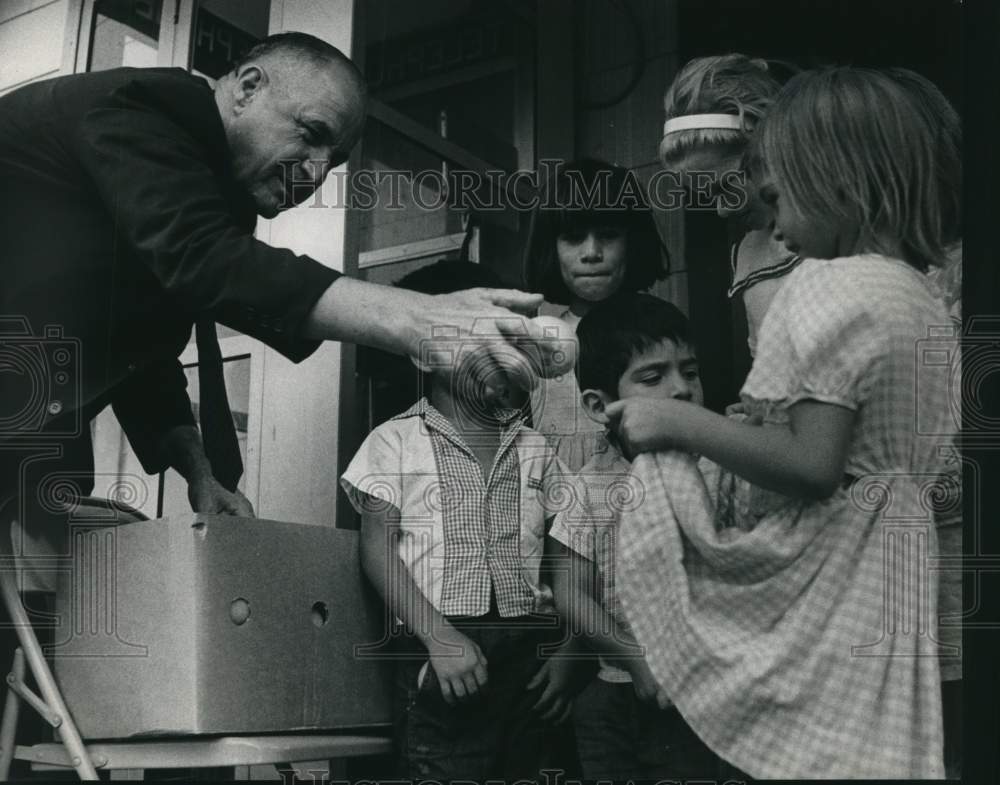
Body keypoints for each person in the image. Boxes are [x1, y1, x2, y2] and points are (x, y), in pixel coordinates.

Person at [0, 31, 554, 532]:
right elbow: (206, 259)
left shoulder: (208, 198)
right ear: (246, 88)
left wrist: (201, 473)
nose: (315, 173)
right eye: (311, 135)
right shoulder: (138, 108)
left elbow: (140, 352)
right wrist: (419, 318)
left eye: (333, 161)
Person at [609, 66, 960, 778]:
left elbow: (811, 462)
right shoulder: (919, 294)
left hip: (833, 559)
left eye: (772, 194)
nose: (768, 221)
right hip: (899, 558)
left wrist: (673, 425)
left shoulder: (828, 281)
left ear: (834, 175)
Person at [340, 260, 577, 782]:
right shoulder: (394, 442)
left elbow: (564, 559)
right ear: (424, 349)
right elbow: (376, 550)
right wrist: (439, 638)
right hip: (440, 647)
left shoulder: (537, 449)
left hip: (530, 653)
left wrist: (568, 647)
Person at [547, 292, 738, 781]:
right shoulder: (586, 486)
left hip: (709, 689)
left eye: (690, 372)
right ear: (598, 404)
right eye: (653, 378)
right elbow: (572, 593)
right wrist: (636, 661)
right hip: (617, 686)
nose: (681, 390)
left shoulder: (724, 469)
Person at [522, 158, 669, 471]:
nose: (591, 252)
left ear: (633, 241)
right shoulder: (536, 340)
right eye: (574, 238)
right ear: (551, 248)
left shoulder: (662, 328)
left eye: (608, 234)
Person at [659, 54, 800, 359]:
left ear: (769, 147)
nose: (722, 211)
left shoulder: (851, 234)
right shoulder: (750, 254)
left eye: (727, 186)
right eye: (708, 197)